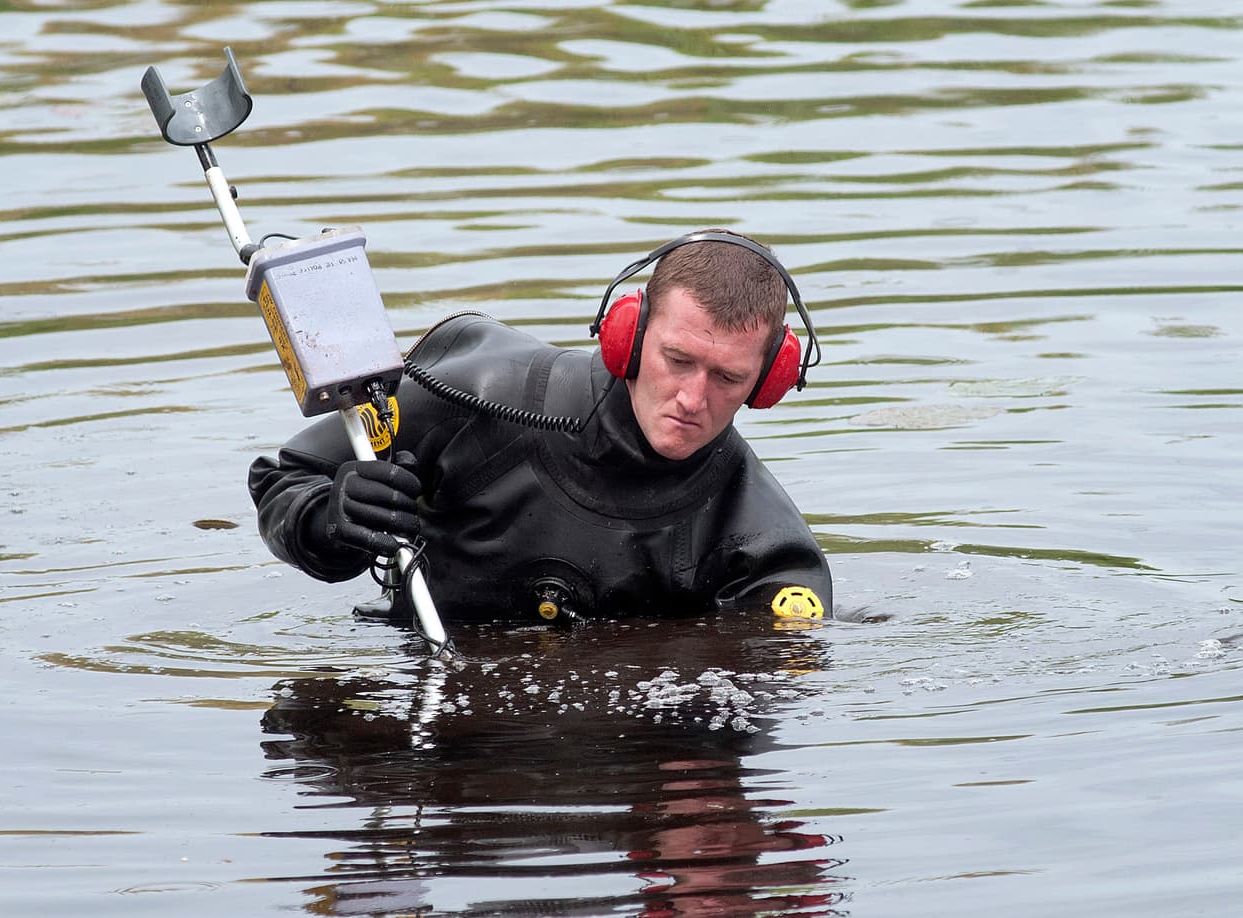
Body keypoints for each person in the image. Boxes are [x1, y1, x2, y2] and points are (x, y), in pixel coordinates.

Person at [248, 229, 835, 626]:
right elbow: (284, 479)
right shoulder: (477, 394)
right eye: (677, 360)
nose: (692, 397)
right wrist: (331, 521)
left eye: (727, 378)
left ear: (767, 383)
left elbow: (777, 688)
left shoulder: (763, 543)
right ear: (626, 338)